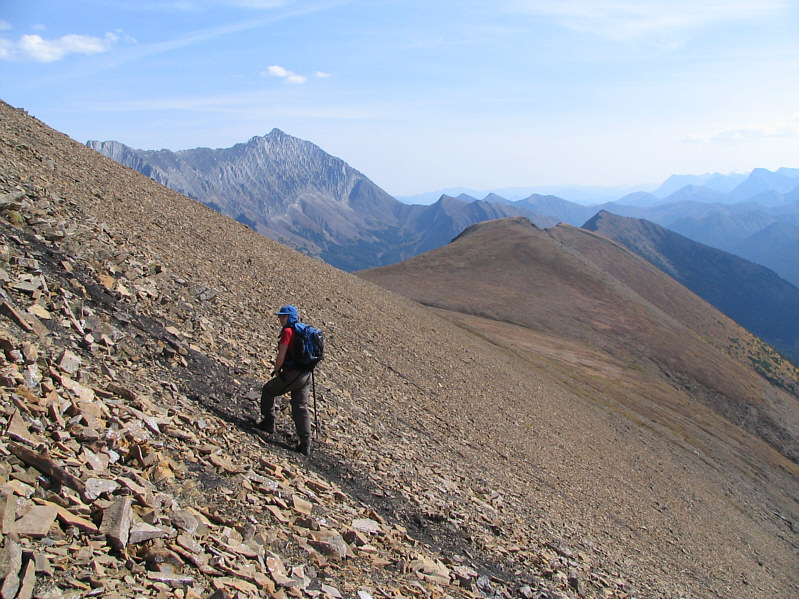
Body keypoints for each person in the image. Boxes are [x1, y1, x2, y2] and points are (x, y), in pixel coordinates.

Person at [259, 305, 313, 455]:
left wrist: (277, 370)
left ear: (291, 317)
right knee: (300, 406)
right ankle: (305, 443)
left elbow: (281, 355)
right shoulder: (301, 330)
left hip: (293, 373)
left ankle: (268, 422)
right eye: (280, 316)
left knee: (268, 390)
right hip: (306, 374)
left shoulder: (288, 332)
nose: (281, 319)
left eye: (284, 316)